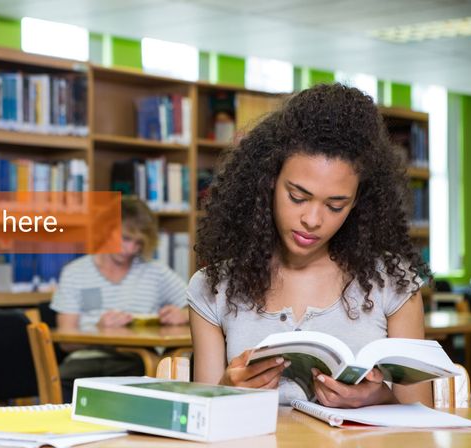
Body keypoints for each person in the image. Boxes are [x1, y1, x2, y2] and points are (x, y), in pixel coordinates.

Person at [188, 83, 433, 408]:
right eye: (297, 197)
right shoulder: (214, 288)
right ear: (268, 181)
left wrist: (380, 397)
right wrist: (226, 389)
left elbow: (421, 421)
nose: (313, 220)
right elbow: (203, 418)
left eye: (335, 205)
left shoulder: (393, 284)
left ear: (357, 203)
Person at [51, 196, 189, 402]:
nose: (130, 249)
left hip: (138, 359)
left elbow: (201, 307)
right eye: (125, 238)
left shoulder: (155, 272)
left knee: (144, 379)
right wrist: (98, 329)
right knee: (66, 380)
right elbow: (66, 341)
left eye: (138, 243)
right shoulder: (75, 272)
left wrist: (183, 315)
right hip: (86, 359)